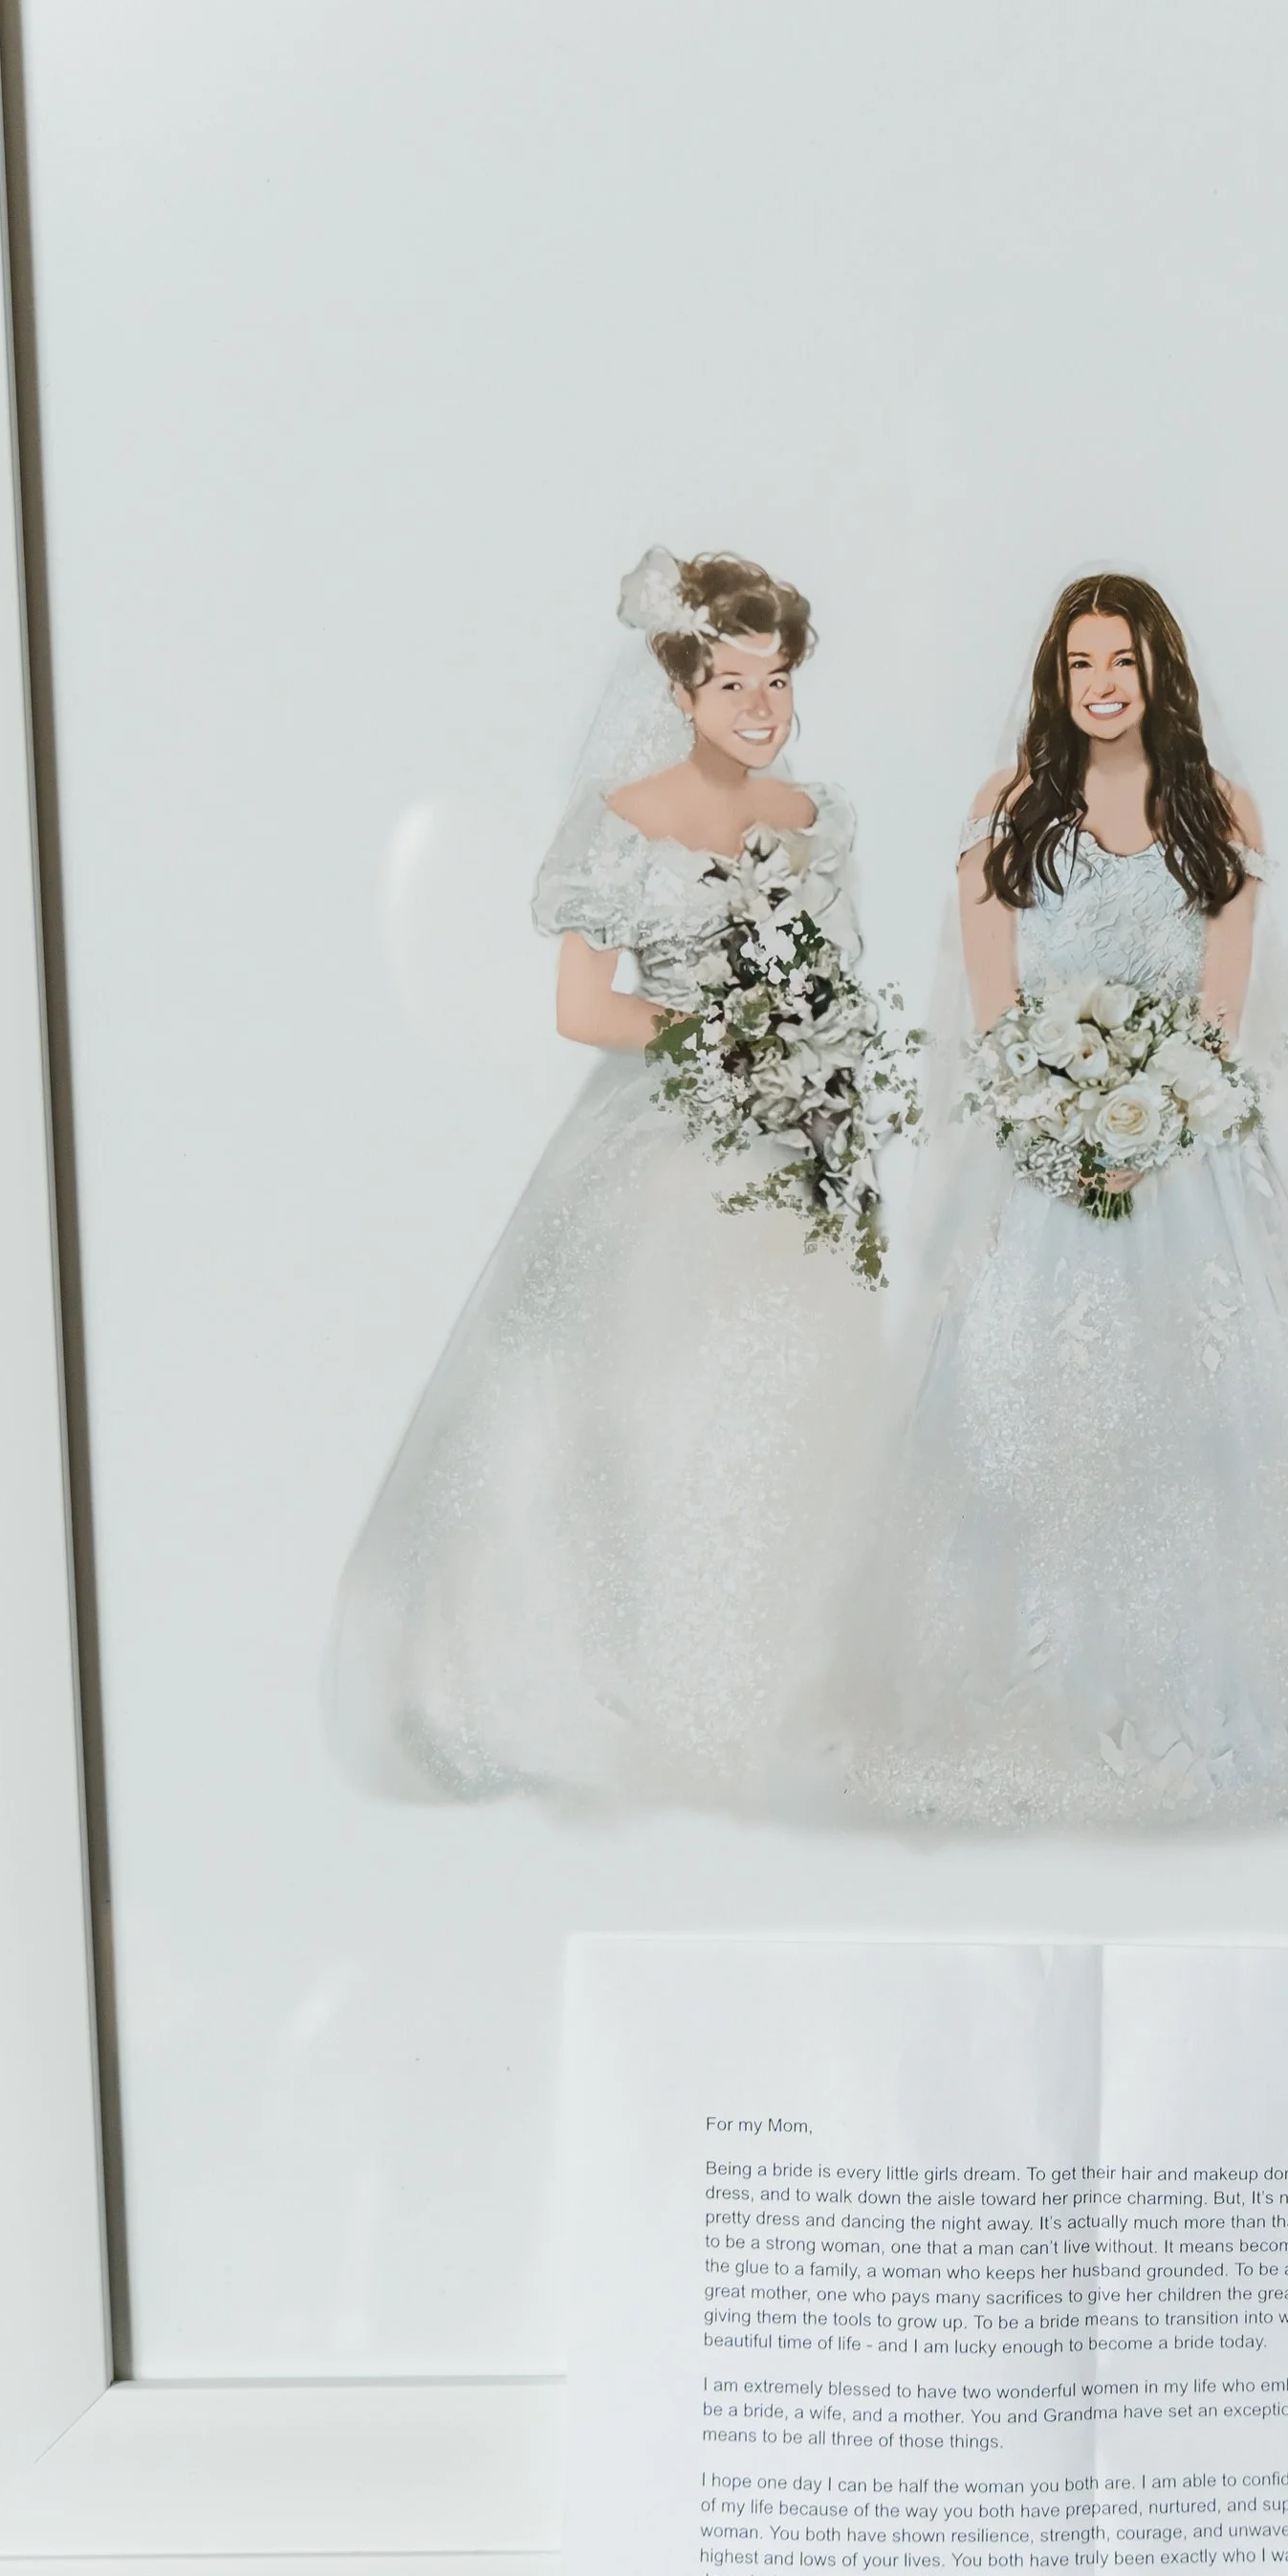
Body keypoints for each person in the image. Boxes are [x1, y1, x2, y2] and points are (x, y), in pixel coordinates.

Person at [821, 571, 1288, 1826]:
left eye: (1122, 661)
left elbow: (1221, 1012)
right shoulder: (1009, 808)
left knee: (1223, 1421)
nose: (1102, 685)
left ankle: (1226, 1707)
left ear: (1158, 673)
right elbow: (992, 1006)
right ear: (1056, 679)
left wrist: (1156, 1122)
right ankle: (1035, 1707)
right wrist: (1061, 1118)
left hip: (1191, 1163)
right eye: (1081, 663)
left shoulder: (1217, 812)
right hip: (1042, 1159)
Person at [327, 546, 886, 1810]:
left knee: (803, 1383)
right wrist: (718, 1039)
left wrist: (814, 1070)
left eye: (777, 683)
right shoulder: (625, 825)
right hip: (669, 1125)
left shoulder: (815, 821)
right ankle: (638, 1682)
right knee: (659, 1386)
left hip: (800, 1125)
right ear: (683, 691)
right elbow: (585, 1008)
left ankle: (783, 1687)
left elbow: (835, 981)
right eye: (733, 684)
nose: (760, 708)